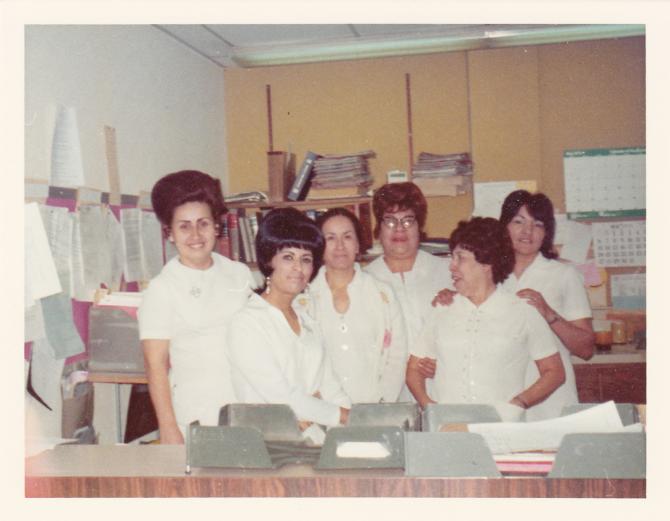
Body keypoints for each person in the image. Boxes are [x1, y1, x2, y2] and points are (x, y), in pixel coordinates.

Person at [406, 217, 565, 421]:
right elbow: (413, 369)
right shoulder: (443, 308)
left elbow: (554, 372)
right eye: (452, 257)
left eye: (460, 258)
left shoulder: (522, 311)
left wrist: (518, 403)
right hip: (449, 427)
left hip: (502, 426)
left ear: (487, 263)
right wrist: (429, 406)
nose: (451, 267)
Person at [138, 170, 256, 444]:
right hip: (194, 414)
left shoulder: (239, 274)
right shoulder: (162, 288)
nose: (195, 235)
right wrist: (168, 430)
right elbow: (154, 364)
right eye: (184, 226)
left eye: (203, 223)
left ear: (216, 226)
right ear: (169, 233)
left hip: (247, 407)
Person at [227, 208, 351, 429]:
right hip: (267, 445)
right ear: (268, 261)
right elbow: (284, 400)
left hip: (314, 439)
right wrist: (342, 416)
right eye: (288, 257)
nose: (298, 268)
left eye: (306, 259)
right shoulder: (247, 323)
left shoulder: (308, 321)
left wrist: (355, 422)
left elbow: (331, 387)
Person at [498, 190, 595, 420]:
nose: (527, 231)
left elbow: (586, 349)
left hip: (553, 399)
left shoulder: (564, 274)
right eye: (518, 222)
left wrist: (549, 313)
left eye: (537, 224)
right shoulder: (490, 273)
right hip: (504, 397)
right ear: (505, 227)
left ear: (546, 233)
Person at [307, 207, 408, 404]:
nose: (339, 246)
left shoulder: (382, 294)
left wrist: (381, 402)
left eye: (347, 237)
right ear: (319, 246)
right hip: (321, 410)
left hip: (372, 409)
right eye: (330, 238)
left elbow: (397, 355)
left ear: (357, 245)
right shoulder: (303, 297)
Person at [364, 182, 453, 395]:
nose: (400, 228)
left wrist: (443, 358)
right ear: (379, 228)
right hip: (387, 394)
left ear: (419, 226)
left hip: (443, 386)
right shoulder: (365, 280)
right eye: (390, 221)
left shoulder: (448, 273)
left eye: (408, 220)